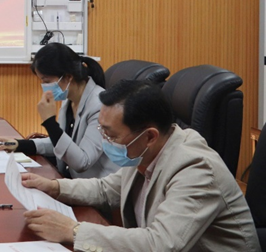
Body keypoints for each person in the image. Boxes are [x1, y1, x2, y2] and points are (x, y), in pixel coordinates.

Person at [20, 80, 260, 251]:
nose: (105, 141)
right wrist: (54, 187)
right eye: (102, 130)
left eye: (111, 134)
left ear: (150, 136)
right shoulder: (146, 152)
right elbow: (106, 189)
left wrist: (73, 231)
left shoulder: (196, 168)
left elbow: (161, 244)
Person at [0, 43, 117, 179]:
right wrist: (18, 144)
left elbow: (82, 161)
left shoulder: (99, 106)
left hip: (96, 186)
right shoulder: (69, 99)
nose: (45, 87)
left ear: (68, 77)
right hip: (68, 180)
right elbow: (62, 143)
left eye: (47, 81)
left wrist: (49, 122)